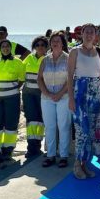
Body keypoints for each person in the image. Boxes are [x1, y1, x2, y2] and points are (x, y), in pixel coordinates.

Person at [68, 24, 100, 179]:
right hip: (80, 93)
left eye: (92, 32)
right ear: (82, 34)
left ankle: (85, 164)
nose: (90, 35)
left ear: (96, 35)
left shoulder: (99, 51)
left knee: (90, 131)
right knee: (80, 131)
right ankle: (77, 165)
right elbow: (70, 76)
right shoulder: (74, 51)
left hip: (96, 93)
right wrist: (71, 99)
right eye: (87, 32)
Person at [38, 33, 72, 168]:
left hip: (64, 97)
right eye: (53, 41)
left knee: (63, 126)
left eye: (58, 41)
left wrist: (59, 93)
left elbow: (71, 79)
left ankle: (63, 156)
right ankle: (50, 155)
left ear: (63, 43)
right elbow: (39, 78)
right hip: (47, 98)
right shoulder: (45, 60)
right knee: (50, 127)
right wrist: (47, 93)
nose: (55, 43)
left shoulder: (69, 59)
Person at [0, 41, 26, 161]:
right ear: (0, 49)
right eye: (3, 47)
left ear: (11, 48)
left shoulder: (18, 62)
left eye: (7, 46)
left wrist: (13, 88)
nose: (5, 48)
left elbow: (21, 79)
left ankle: (8, 148)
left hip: (12, 97)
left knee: (11, 122)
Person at [23, 37, 48, 158]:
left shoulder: (48, 59)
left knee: (41, 120)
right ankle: (31, 147)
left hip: (42, 94)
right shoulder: (29, 58)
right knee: (31, 120)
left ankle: (38, 145)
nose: (40, 47)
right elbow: (20, 73)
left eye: (43, 45)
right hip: (28, 94)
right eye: (37, 45)